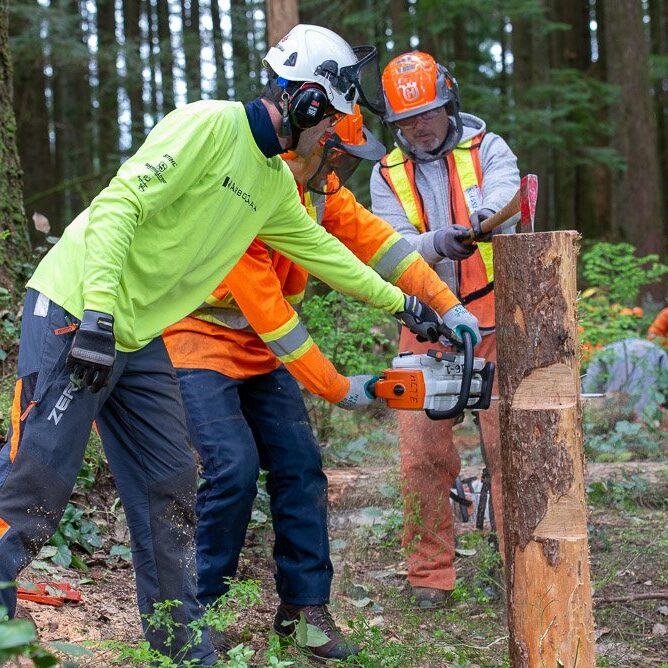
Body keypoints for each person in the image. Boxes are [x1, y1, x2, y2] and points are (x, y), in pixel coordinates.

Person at [0, 26, 449, 662]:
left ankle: (183, 646)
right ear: (308, 103)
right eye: (334, 122)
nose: (334, 139)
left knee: (171, 480)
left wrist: (410, 302)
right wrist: (98, 311)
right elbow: (118, 206)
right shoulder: (208, 125)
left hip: (137, 332)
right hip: (77, 307)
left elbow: (326, 254)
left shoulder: (270, 184)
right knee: (35, 477)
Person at [162, 102, 481, 660]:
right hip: (196, 336)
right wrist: (338, 387)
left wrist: (444, 303)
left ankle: (303, 610)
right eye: (340, 154)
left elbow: (382, 246)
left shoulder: (322, 190)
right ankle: (198, 611)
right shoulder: (250, 190)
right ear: (318, 142)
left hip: (258, 348)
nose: (344, 168)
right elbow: (274, 318)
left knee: (301, 465)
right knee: (232, 467)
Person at [370, 51, 520, 606]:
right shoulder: (385, 172)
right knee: (422, 456)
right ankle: (429, 575)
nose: (419, 126)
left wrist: (485, 222)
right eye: (407, 119)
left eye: (428, 113)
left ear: (448, 103)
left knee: (512, 449)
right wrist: (436, 243)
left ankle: (521, 564)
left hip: (496, 319)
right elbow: (386, 244)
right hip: (426, 326)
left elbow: (509, 194)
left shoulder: (488, 149)